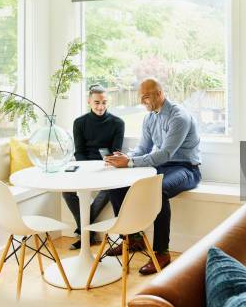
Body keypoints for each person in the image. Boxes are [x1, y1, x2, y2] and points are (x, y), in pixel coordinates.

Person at [105, 78, 201, 275]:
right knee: (117, 185)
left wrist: (130, 163)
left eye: (146, 97)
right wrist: (125, 158)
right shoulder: (149, 118)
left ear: (159, 94)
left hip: (186, 168)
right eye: (141, 97)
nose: (142, 102)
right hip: (161, 167)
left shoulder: (178, 117)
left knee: (159, 190)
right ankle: (133, 239)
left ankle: (162, 253)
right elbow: (143, 149)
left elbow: (165, 153)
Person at [63, 84, 125, 250]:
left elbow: (116, 152)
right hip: (84, 166)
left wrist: (105, 165)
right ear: (89, 101)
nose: (101, 106)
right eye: (97, 102)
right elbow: (79, 151)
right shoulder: (79, 123)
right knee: (66, 191)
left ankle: (84, 233)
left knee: (110, 189)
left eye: (104, 102)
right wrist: (87, 170)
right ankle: (88, 233)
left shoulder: (118, 123)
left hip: (107, 166)